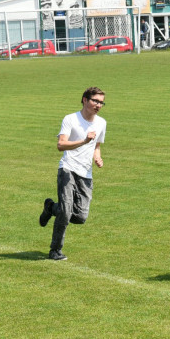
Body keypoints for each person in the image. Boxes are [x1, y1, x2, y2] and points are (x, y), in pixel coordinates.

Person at [38, 87, 107, 261]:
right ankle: (55, 250)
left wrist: (97, 158)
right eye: (95, 101)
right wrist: (84, 140)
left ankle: (51, 208)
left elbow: (97, 146)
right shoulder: (71, 119)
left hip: (85, 173)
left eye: (101, 102)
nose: (98, 105)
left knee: (81, 216)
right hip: (68, 168)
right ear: (85, 100)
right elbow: (61, 145)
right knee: (66, 210)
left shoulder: (101, 123)